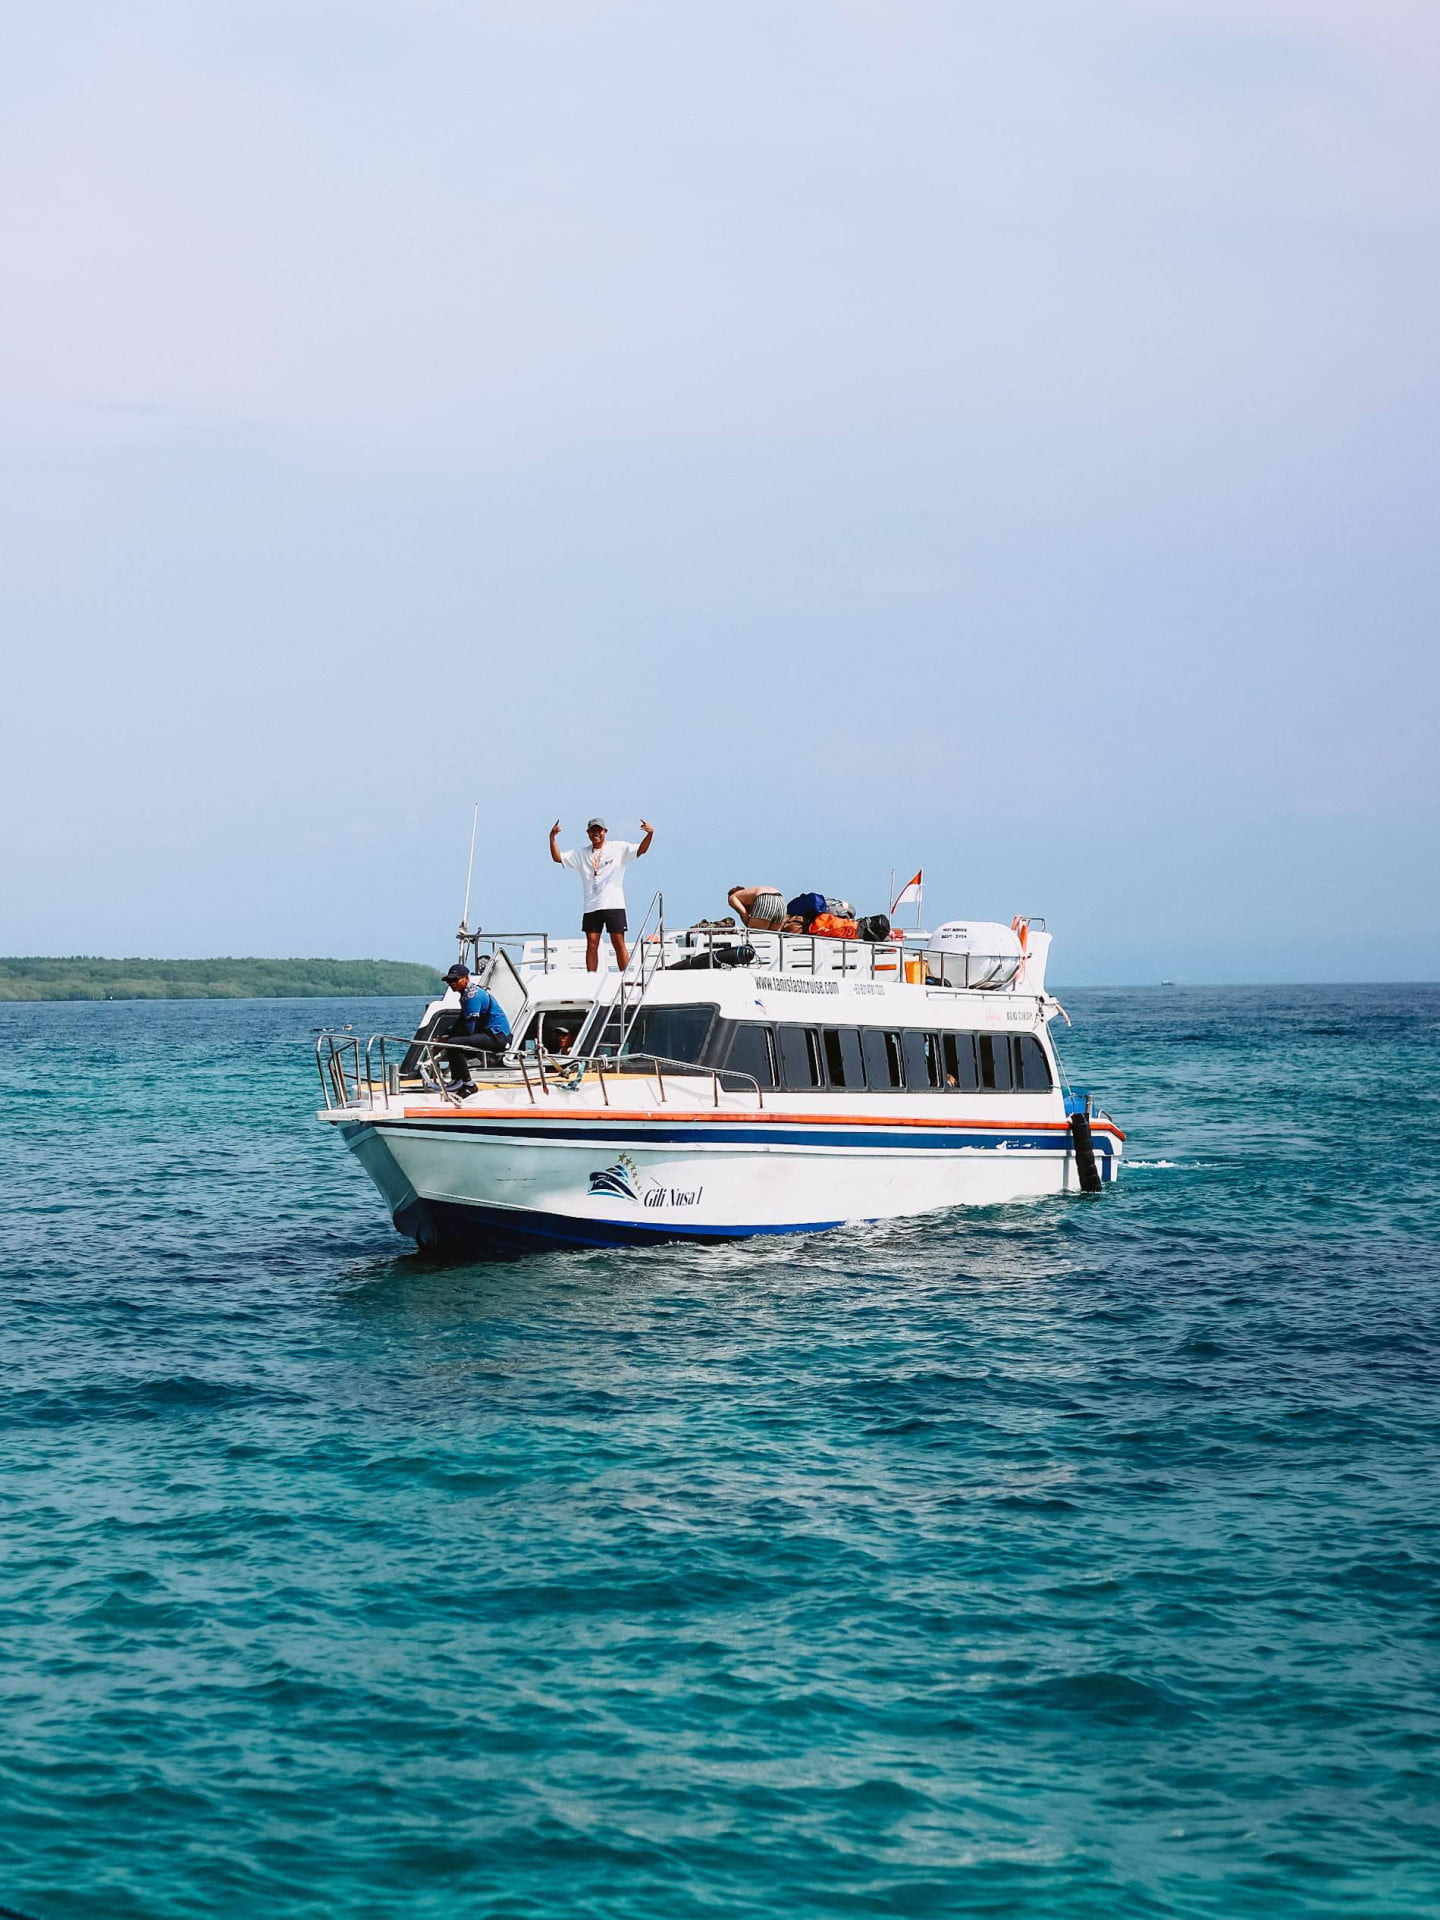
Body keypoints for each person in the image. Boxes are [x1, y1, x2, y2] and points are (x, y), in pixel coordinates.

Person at [549, 815, 655, 971]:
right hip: (592, 905)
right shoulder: (581, 853)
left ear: (605, 831)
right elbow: (558, 858)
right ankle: (592, 976)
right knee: (592, 944)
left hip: (614, 903)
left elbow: (641, 850)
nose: (596, 834)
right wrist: (552, 838)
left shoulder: (618, 848)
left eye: (599, 830)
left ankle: (625, 977)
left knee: (618, 942)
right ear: (588, 833)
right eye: (592, 831)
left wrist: (650, 834)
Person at [440, 961, 511, 1093]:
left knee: (453, 1044)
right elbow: (462, 1021)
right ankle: (457, 1080)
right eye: (449, 981)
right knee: (451, 1043)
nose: (452, 984)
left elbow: (469, 1029)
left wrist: (448, 1040)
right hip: (490, 1034)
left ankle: (469, 1085)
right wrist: (446, 1035)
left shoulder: (472, 996)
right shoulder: (466, 994)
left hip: (499, 1037)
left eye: (455, 980)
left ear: (466, 978)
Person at [726, 885, 799, 932]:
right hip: (780, 899)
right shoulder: (749, 893)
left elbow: (744, 913)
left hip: (764, 898)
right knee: (773, 937)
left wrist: (749, 928)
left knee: (755, 934)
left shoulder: (732, 897)